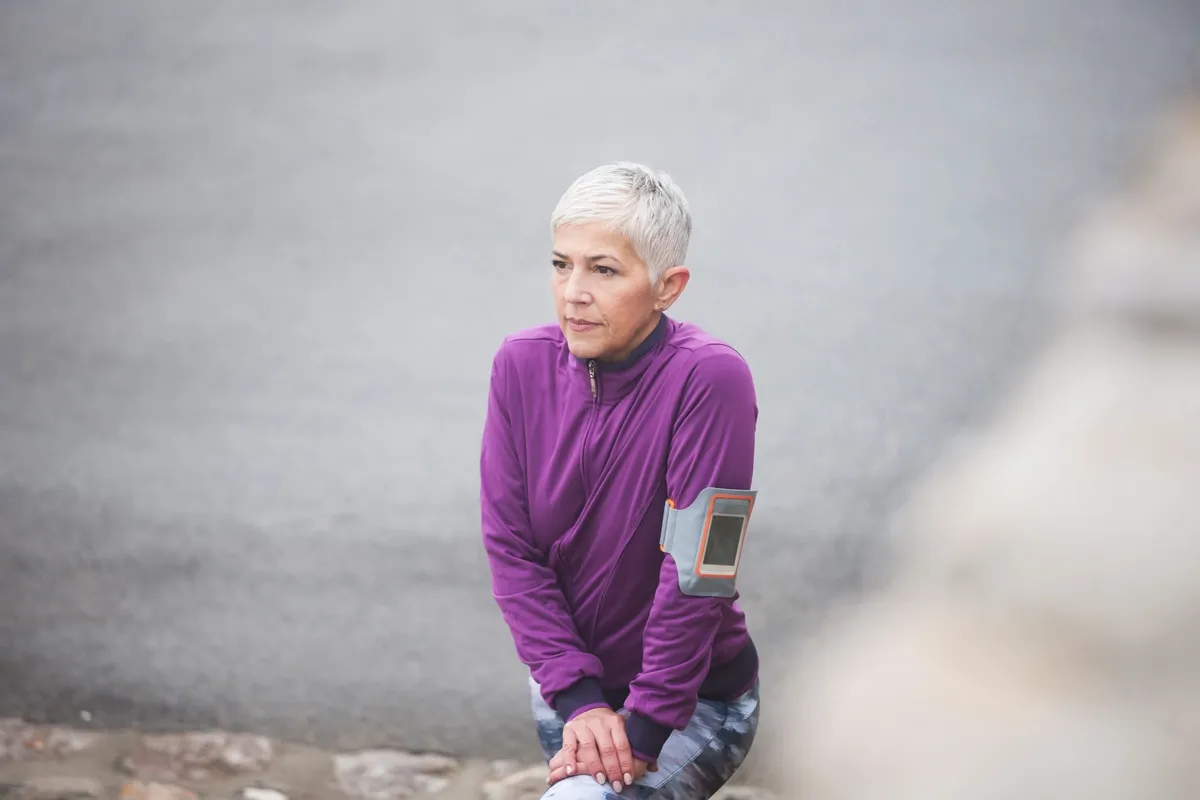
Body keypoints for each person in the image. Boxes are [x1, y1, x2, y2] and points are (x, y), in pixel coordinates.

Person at [480, 162, 761, 799]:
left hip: (693, 702)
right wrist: (578, 701)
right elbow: (512, 549)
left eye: (603, 270)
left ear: (669, 287)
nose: (573, 292)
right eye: (561, 264)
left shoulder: (711, 380)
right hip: (569, 699)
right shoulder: (519, 365)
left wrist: (646, 727)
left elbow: (699, 569)